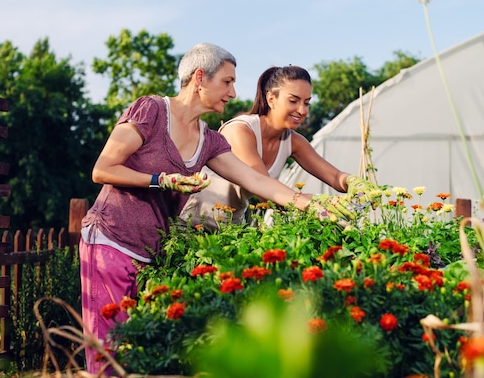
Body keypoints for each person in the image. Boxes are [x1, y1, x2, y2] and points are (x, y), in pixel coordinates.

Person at [79, 44, 348, 373]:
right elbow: (102, 169)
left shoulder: (209, 140)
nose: (233, 93)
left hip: (151, 251)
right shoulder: (150, 110)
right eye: (228, 82)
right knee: (108, 348)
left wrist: (313, 206)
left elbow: (256, 180)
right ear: (200, 78)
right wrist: (161, 181)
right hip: (111, 238)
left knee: (140, 345)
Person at [181, 65, 382, 231]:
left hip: (231, 228)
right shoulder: (240, 130)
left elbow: (333, 176)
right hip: (191, 223)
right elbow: (264, 190)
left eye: (307, 103)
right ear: (271, 99)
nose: (302, 110)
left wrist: (354, 183)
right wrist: (325, 203)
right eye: (293, 101)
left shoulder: (293, 141)